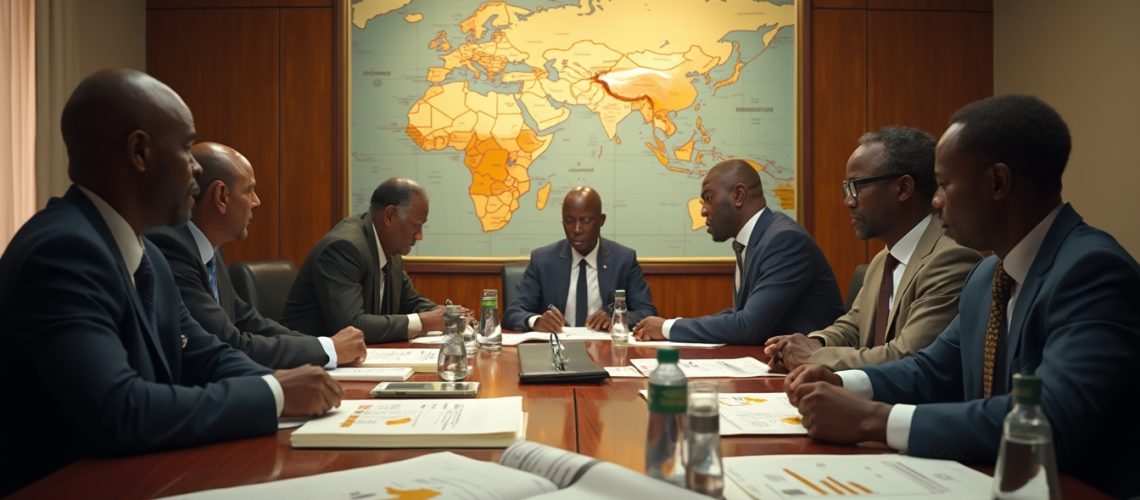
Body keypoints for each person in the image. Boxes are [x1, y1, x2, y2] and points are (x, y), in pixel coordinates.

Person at [0, 69, 342, 495]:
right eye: (185, 147)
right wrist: (273, 393)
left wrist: (306, 391)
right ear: (139, 152)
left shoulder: (149, 256)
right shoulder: (63, 252)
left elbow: (208, 354)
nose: (196, 168)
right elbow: (120, 409)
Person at [785, 95, 1140, 498]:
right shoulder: (988, 274)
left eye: (944, 184)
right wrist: (844, 381)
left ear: (998, 183)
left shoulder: (1091, 270)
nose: (934, 202)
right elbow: (931, 370)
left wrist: (875, 420)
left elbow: (1046, 418)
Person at [764, 127, 980, 371]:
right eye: (847, 188)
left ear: (903, 188)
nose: (849, 201)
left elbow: (907, 357)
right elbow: (854, 325)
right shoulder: (883, 260)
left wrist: (812, 357)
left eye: (857, 186)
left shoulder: (950, 258)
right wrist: (812, 342)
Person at [146, 142, 367, 369]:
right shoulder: (171, 247)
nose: (256, 202)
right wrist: (329, 350)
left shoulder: (210, 248)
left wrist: (326, 345)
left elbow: (247, 321)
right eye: (249, 190)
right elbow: (229, 344)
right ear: (221, 196)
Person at [633, 158, 844, 344]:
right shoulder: (755, 238)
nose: (703, 210)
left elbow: (748, 326)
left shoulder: (784, 240)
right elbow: (740, 315)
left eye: (708, 197)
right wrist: (673, 325)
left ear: (738, 195)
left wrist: (667, 328)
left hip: (812, 372)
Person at [282, 177, 442, 343]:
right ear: (389, 216)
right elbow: (351, 326)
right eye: (416, 225)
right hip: (307, 362)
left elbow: (412, 302)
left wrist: (449, 316)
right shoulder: (344, 248)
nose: (420, 236)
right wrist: (423, 322)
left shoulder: (390, 250)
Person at [503, 186, 657, 332]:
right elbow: (513, 313)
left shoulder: (623, 259)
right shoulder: (543, 260)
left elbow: (646, 311)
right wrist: (536, 321)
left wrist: (617, 317)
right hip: (557, 350)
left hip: (607, 349)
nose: (576, 230)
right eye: (569, 221)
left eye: (585, 220)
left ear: (601, 220)